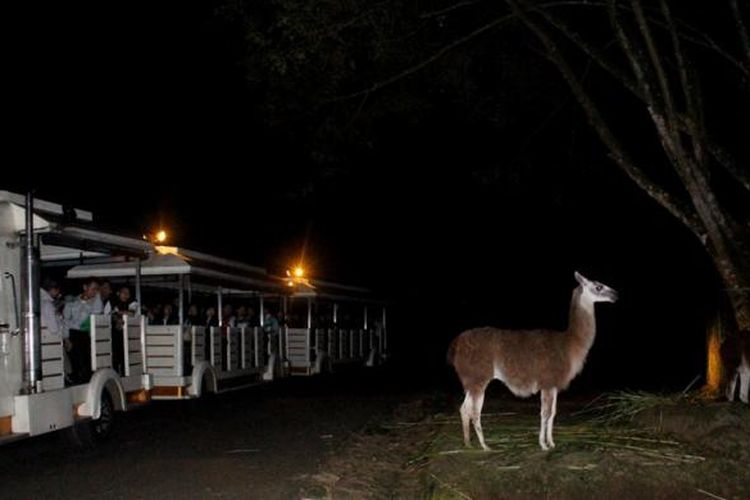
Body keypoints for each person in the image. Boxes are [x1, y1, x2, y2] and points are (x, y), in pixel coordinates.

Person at [63, 278, 103, 383]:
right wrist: (66, 338)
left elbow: (98, 311)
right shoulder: (72, 301)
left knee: (87, 362)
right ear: (85, 287)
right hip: (74, 334)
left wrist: (98, 295)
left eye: (96, 289)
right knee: (75, 361)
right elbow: (66, 320)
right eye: (93, 289)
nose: (94, 292)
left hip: (86, 334)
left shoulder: (95, 302)